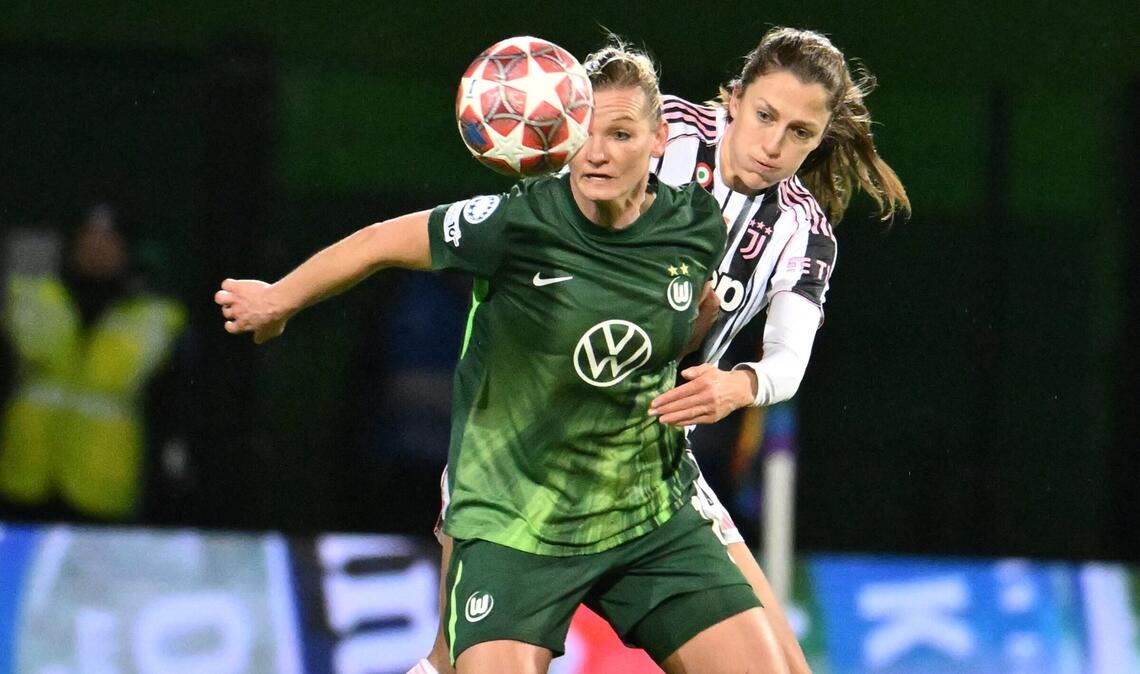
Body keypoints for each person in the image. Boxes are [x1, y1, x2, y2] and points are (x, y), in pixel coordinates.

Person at [218, 42, 803, 673]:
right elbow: (377, 243)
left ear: (660, 140)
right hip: (516, 522)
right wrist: (279, 299)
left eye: (622, 133)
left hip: (643, 514)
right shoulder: (519, 221)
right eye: (584, 132)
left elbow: (668, 329)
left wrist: (700, 330)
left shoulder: (694, 227)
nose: (597, 152)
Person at [413, 26, 911, 674]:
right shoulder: (655, 129)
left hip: (647, 462)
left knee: (785, 667)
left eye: (800, 133)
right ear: (733, 98)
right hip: (532, 442)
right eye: (765, 116)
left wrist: (743, 384)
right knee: (455, 660)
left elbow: (788, 358)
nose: (774, 144)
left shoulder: (802, 230)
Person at [0, 204, 189, 522]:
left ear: (127, 250)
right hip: (23, 479)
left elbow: (172, 405)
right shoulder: (30, 297)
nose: (97, 250)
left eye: (108, 241)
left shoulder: (156, 315)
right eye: (89, 239)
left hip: (103, 485)